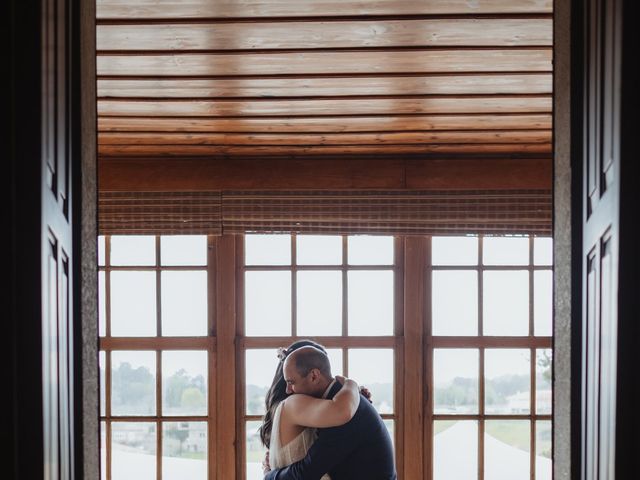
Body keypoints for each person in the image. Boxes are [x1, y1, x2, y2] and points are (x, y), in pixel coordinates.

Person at [261, 340, 396, 480]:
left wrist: (269, 476)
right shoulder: (340, 400)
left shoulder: (343, 412)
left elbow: (307, 472)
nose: (288, 390)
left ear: (314, 376)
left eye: (291, 382)